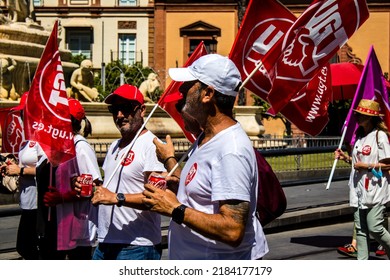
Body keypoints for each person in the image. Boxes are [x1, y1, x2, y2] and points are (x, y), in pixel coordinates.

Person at [142, 54, 269, 259]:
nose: (181, 90)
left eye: (188, 85)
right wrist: (173, 171)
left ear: (207, 93)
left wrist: (174, 208)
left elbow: (232, 229)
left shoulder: (230, 150)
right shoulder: (206, 137)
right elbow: (204, 190)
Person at [88, 84, 165, 260]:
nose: (120, 115)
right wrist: (92, 189)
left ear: (142, 110)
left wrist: (117, 198)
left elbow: (157, 197)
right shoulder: (114, 146)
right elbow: (108, 189)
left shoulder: (151, 145)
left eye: (126, 108)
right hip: (106, 242)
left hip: (137, 246)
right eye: (115, 109)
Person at [36, 98, 102, 259]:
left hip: (73, 230)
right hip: (53, 225)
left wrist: (62, 198)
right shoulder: (56, 146)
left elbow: (94, 189)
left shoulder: (80, 147)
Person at [335, 99, 390, 260]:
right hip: (358, 189)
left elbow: (388, 164)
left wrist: (366, 166)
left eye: (361, 115)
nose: (357, 117)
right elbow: (357, 163)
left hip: (376, 189)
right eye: (357, 114)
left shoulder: (380, 136)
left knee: (375, 227)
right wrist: (345, 158)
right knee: (360, 230)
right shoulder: (359, 136)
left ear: (371, 117)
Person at [1, 93, 44, 260]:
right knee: (26, 247)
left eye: (23, 113)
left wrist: (19, 171)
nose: (20, 116)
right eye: (20, 113)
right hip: (27, 201)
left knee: (26, 246)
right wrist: (12, 166)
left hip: (38, 202)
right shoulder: (27, 140)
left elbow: (46, 170)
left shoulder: (42, 138)